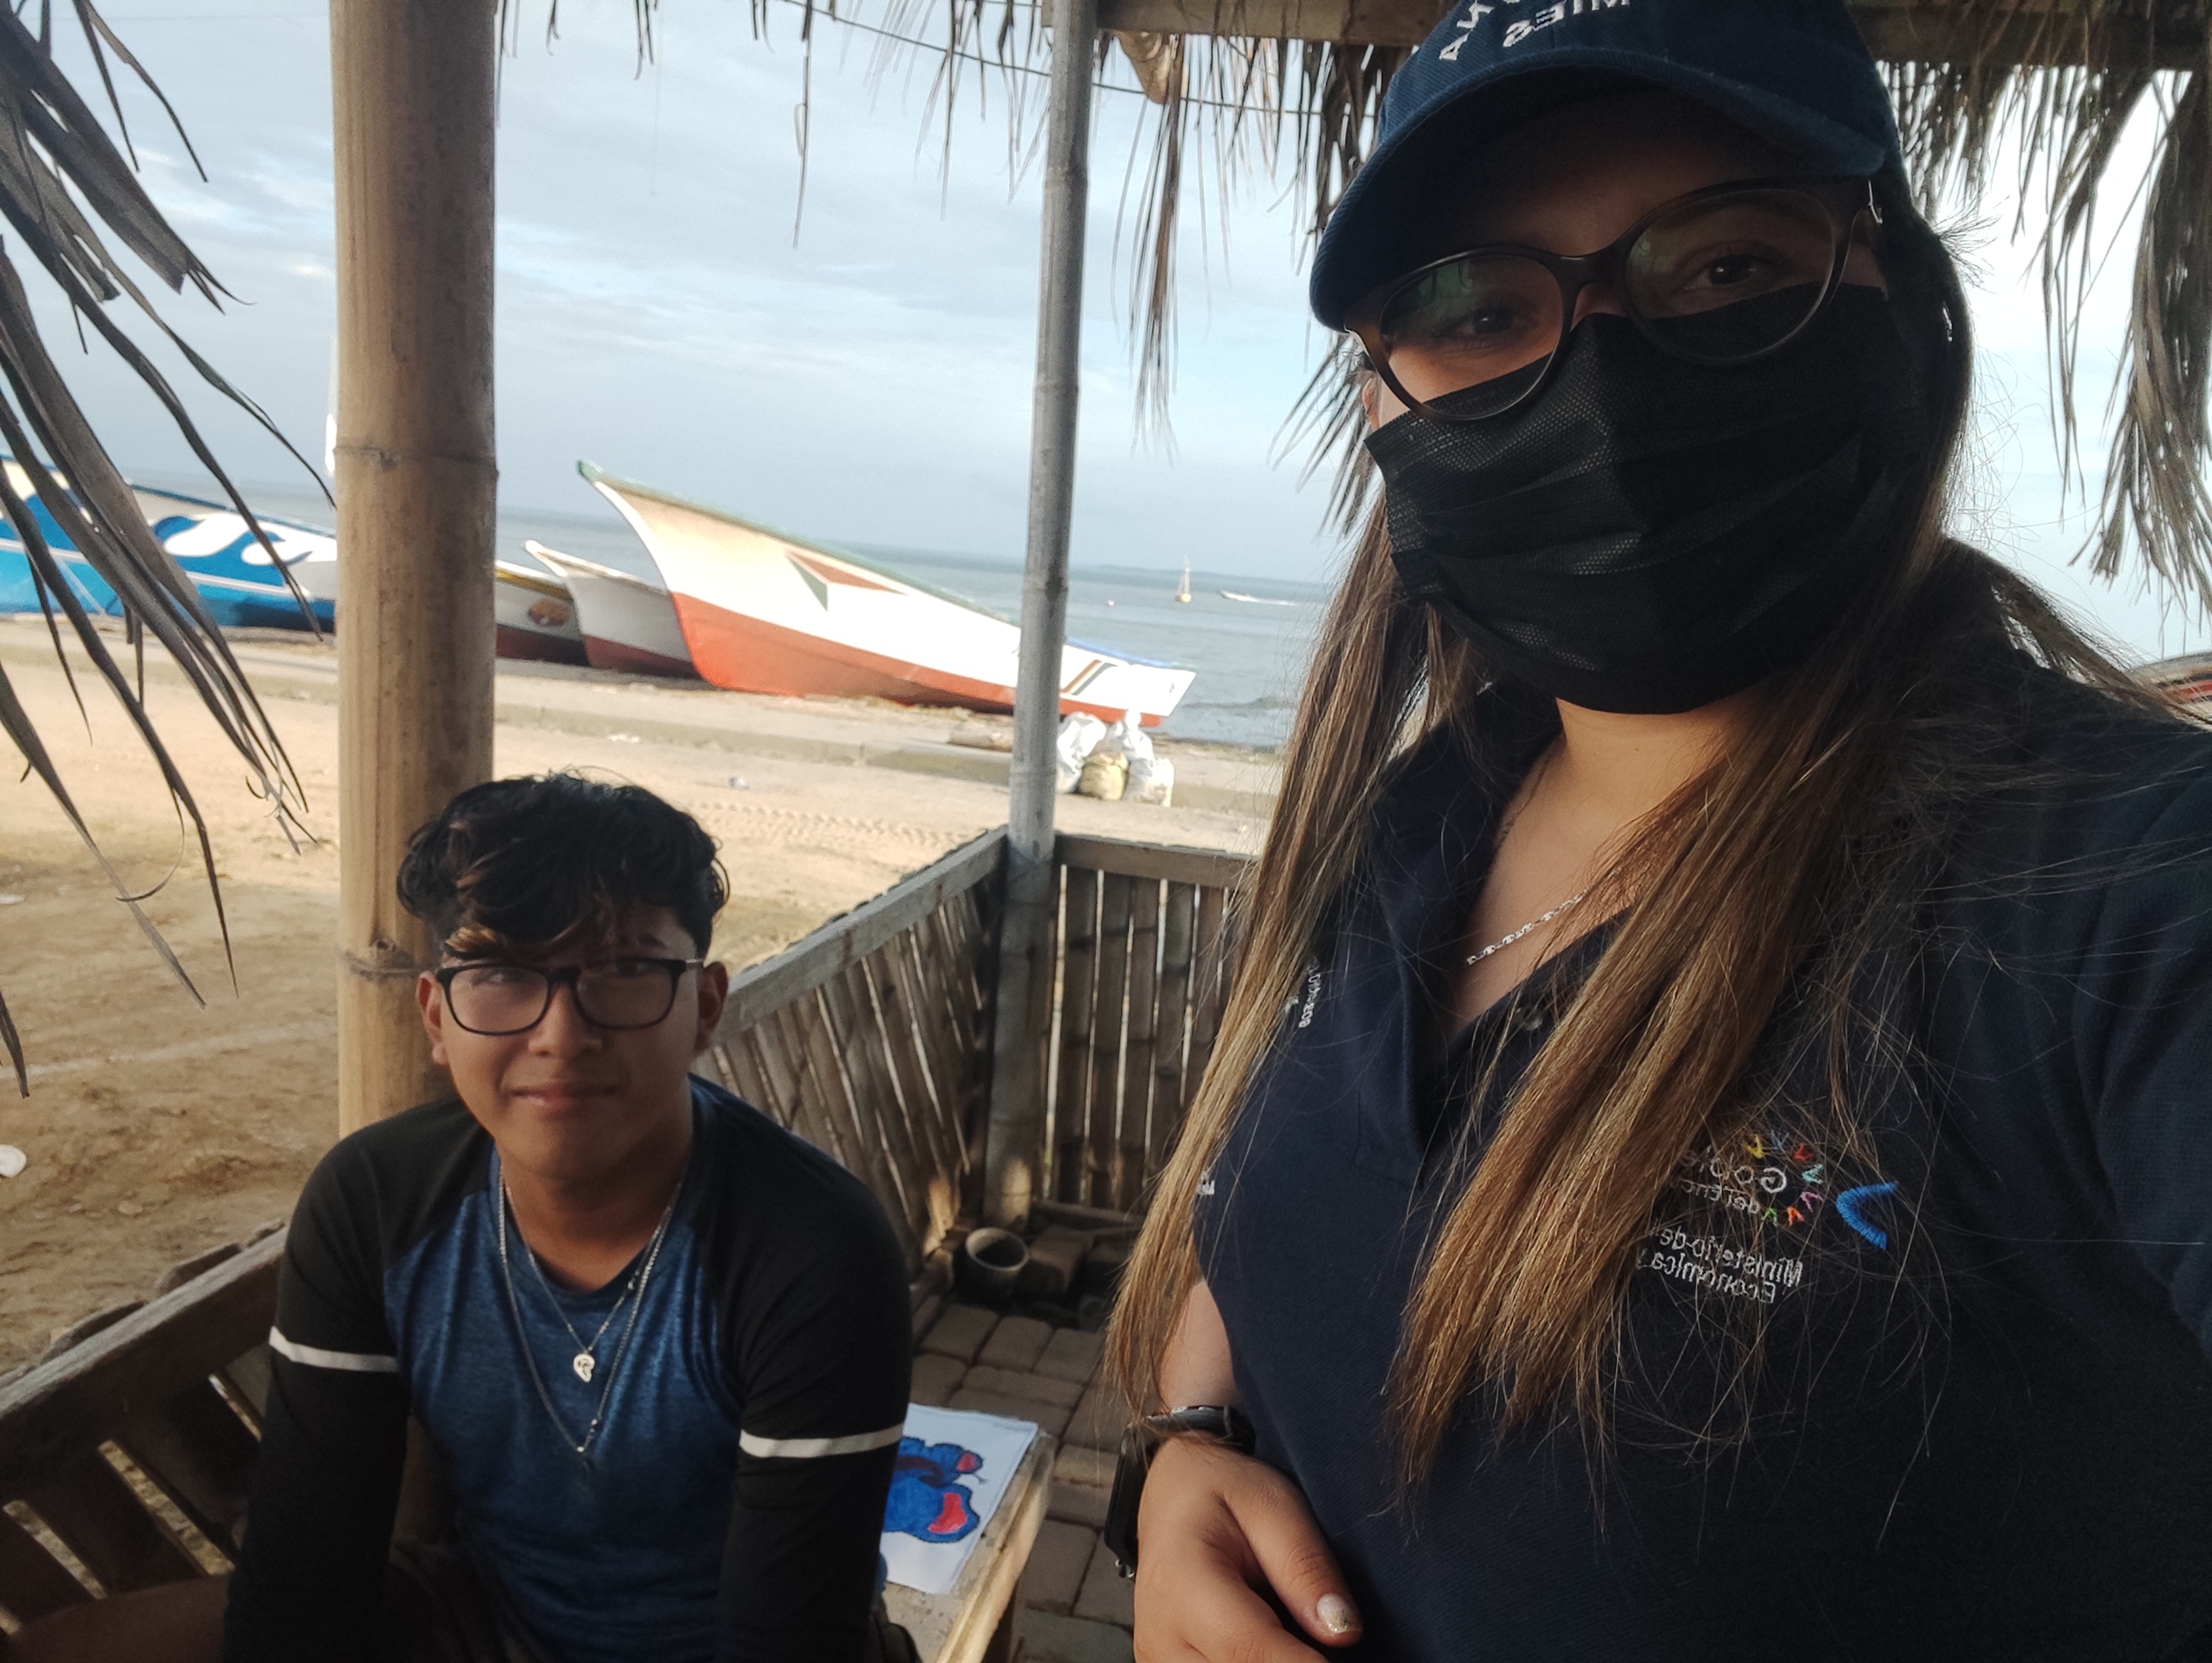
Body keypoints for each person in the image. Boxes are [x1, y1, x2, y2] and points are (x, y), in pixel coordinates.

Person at [1103, 5, 2212, 1661]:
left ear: (1906, 310)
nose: (1606, 376)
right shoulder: (1420, 810)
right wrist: (1188, 1444)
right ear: (1386, 402)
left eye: (1730, 265)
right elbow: (1274, 1217)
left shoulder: (2122, 898)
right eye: (1479, 308)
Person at [10, 774, 913, 1663]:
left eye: (628, 971)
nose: (562, 1034)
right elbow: (308, 1581)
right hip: (488, 1610)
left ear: (706, 1006)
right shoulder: (378, 1203)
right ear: (437, 1017)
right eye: (502, 974)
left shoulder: (810, 1251)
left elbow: (785, 1642)